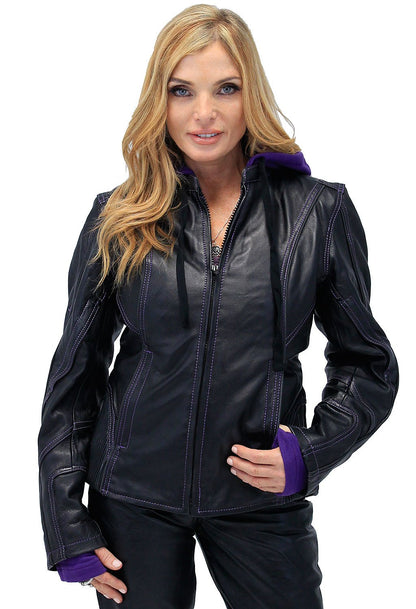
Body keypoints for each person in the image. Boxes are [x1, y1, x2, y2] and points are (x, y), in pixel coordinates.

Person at [37, 4, 399, 608]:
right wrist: (66, 523)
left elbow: (368, 364)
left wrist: (309, 453)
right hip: (131, 499)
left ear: (250, 94)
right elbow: (73, 378)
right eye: (182, 91)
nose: (203, 113)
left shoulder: (317, 212)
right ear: (159, 100)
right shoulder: (118, 216)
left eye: (225, 88)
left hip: (259, 496)